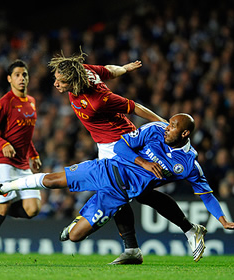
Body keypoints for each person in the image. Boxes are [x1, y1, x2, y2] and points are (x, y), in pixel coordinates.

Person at [0, 113, 234, 262]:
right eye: (169, 123)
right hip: (105, 169)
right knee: (52, 180)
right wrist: (141, 161)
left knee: (74, 237)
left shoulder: (188, 164)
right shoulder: (154, 130)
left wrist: (223, 220)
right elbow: (120, 146)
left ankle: (88, 220)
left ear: (185, 134)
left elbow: (207, 194)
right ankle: (4, 186)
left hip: (116, 194)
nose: (167, 128)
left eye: (173, 126)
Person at [47, 51, 204, 263]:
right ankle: (137, 248)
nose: (55, 83)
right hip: (105, 145)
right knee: (135, 194)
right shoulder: (84, 72)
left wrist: (162, 124)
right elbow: (110, 70)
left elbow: (134, 107)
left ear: (73, 79)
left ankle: (172, 235)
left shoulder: (99, 99)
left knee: (122, 192)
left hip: (120, 143)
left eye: (60, 80)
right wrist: (125, 68)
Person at [0, 60, 42, 262]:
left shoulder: (31, 101)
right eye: (18, 75)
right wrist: (2, 144)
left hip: (21, 163)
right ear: (9, 79)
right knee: (2, 207)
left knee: (33, 209)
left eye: (25, 75)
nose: (22, 78)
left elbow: (24, 135)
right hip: (0, 161)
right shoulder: (5, 102)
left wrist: (33, 154)